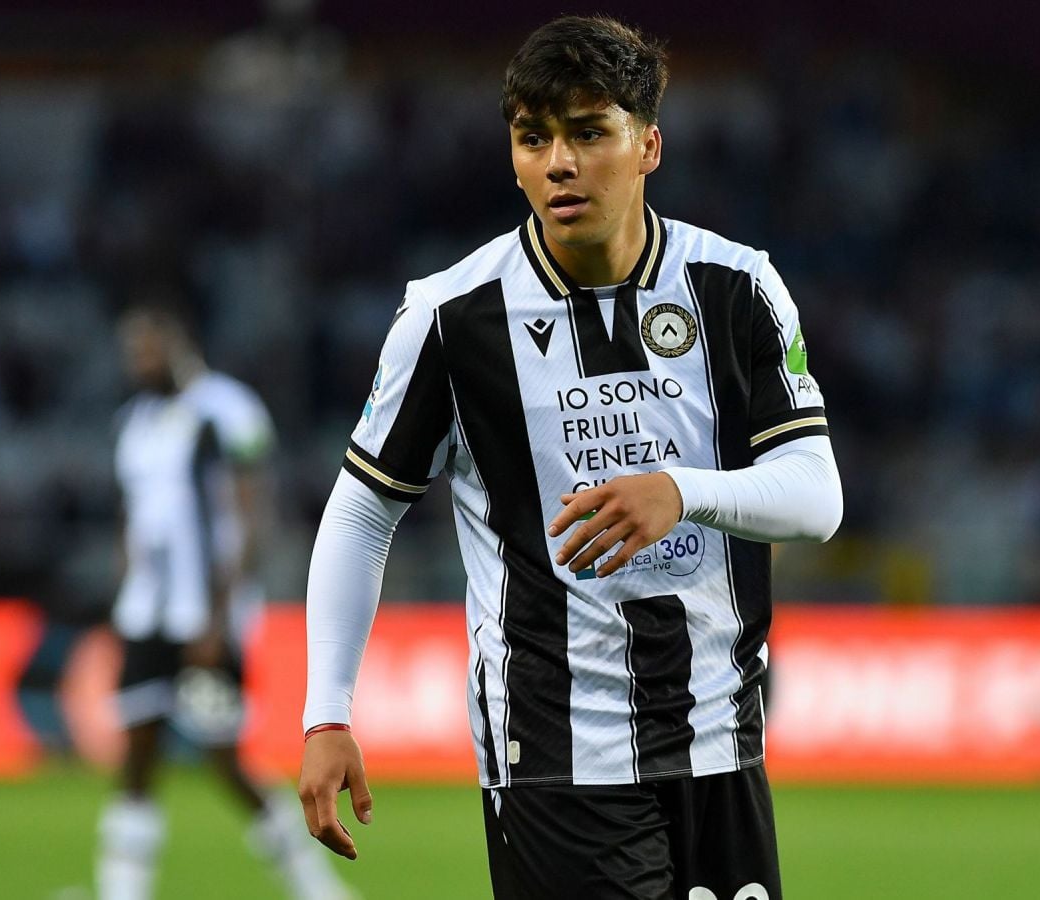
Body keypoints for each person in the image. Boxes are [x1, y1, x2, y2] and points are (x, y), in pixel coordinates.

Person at [297, 15, 842, 899]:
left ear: (648, 145)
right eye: (533, 138)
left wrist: (680, 492)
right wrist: (327, 712)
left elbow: (817, 497)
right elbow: (363, 512)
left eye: (589, 133)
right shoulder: (451, 318)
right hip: (554, 753)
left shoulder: (738, 287)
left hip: (721, 740)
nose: (558, 163)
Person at [98, 303, 353, 900]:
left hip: (204, 615)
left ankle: (315, 885)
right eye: (132, 352)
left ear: (179, 341)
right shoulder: (132, 421)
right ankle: (120, 891)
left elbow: (251, 516)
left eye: (148, 348)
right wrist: (122, 594)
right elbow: (131, 517)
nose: (139, 362)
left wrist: (221, 616)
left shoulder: (228, 410)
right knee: (136, 757)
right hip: (145, 617)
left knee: (223, 758)